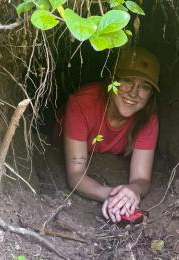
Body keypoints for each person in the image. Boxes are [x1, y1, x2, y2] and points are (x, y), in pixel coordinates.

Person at [60, 47, 160, 223]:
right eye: (128, 81)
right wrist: (112, 195)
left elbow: (141, 178)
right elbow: (76, 174)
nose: (134, 93)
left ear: (151, 94)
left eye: (145, 87)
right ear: (111, 80)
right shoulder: (82, 103)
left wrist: (133, 190)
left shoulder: (148, 120)